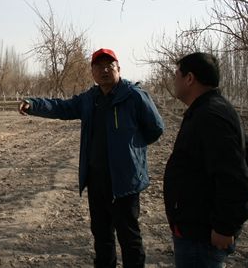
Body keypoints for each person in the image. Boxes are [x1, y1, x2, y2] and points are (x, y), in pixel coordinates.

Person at [18, 48, 164, 268]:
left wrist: (132, 151)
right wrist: (34, 105)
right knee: (102, 237)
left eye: (109, 66)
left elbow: (155, 128)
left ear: (119, 69)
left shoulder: (134, 96)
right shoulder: (90, 99)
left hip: (125, 181)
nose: (104, 70)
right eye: (99, 66)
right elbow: (62, 107)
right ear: (93, 72)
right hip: (97, 181)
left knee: (129, 238)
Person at [164, 52, 248, 267]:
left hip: (201, 235)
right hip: (195, 227)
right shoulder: (211, 108)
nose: (174, 80)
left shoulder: (209, 116)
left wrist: (224, 226)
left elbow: (235, 176)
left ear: (189, 78)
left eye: (177, 74)